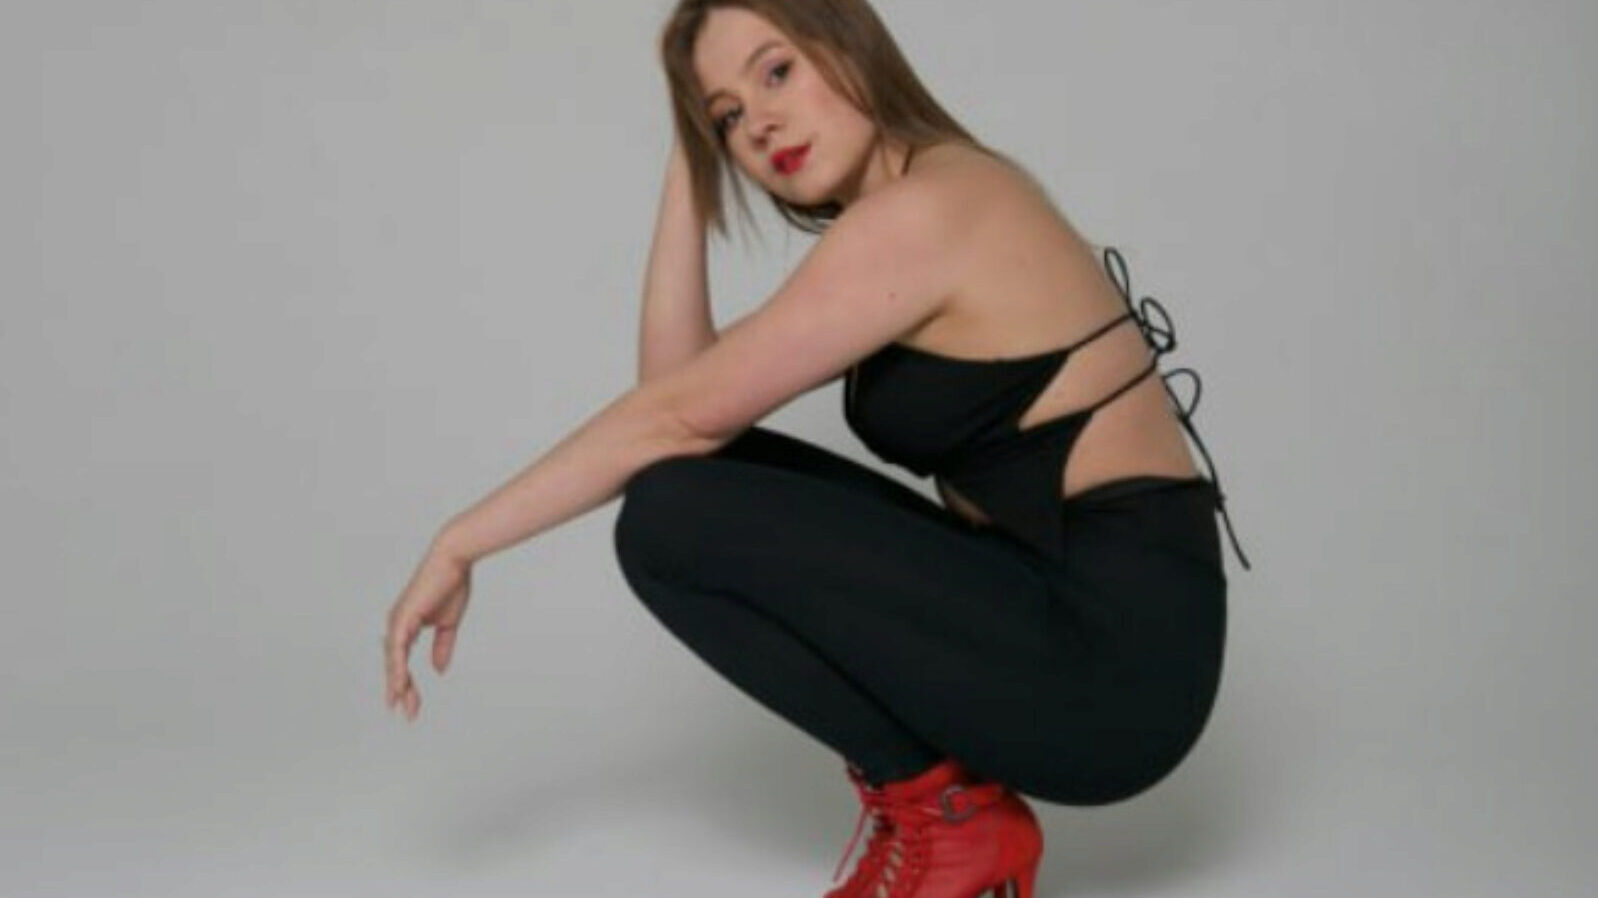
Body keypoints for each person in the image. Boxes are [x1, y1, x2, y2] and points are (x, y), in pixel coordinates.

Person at [382, 2, 1252, 896]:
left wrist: (460, 541)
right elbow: (676, 404)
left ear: (849, 45)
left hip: (1117, 669)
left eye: (776, 72)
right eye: (727, 115)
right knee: (681, 490)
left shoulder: (929, 212)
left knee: (671, 514)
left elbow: (674, 421)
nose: (757, 123)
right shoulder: (909, 206)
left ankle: (955, 827)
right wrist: (691, 162)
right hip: (1050, 610)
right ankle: (952, 817)